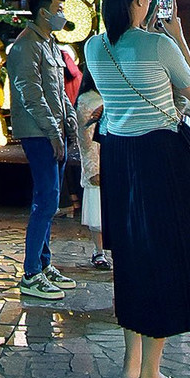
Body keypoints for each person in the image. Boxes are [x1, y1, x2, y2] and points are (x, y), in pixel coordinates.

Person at [85, 0, 190, 378]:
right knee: (164, 258)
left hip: (121, 158)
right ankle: (152, 377)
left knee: (130, 256)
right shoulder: (159, 44)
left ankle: (131, 365)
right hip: (160, 157)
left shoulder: (93, 47)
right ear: (139, 1)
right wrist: (179, 35)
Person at [5, 0, 79, 301]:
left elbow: (58, 90)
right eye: (58, 8)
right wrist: (52, 131)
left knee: (50, 199)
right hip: (37, 132)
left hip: (54, 130)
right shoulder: (24, 47)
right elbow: (30, 93)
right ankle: (31, 272)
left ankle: (44, 264)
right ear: (43, 12)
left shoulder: (49, 44)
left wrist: (69, 121)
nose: (62, 14)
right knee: (46, 200)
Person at [75, 68, 109, 269]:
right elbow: (86, 139)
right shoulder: (87, 100)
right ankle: (99, 252)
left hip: (113, 159)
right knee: (98, 211)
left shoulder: (109, 95)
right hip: (97, 162)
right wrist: (92, 168)